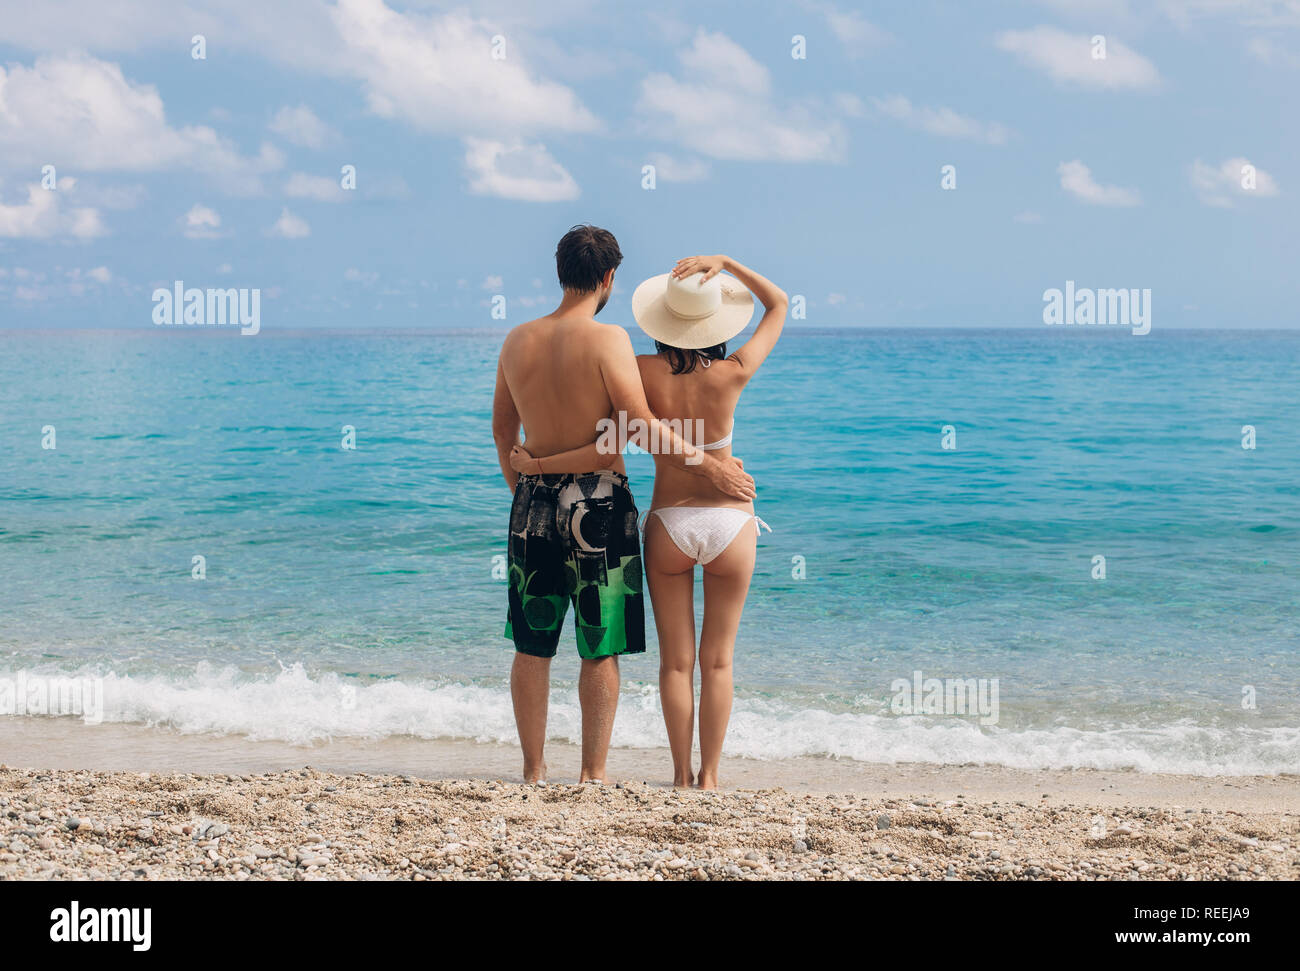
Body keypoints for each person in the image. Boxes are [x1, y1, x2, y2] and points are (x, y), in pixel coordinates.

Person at [510, 254, 786, 789]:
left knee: (676, 664)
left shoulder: (638, 369)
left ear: (662, 322)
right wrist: (726, 263)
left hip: (669, 525)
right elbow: (779, 304)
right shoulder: (735, 371)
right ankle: (708, 779)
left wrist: (538, 465)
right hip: (731, 524)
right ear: (717, 324)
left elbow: (608, 441)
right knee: (719, 662)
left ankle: (679, 776)